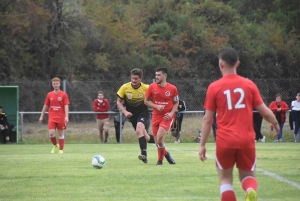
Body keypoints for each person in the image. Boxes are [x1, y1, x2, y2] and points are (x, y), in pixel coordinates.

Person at [199, 47, 279, 201]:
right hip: (246, 140)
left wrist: (202, 144)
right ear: (238, 64)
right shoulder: (249, 85)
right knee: (247, 175)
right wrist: (275, 123)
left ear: (220, 64)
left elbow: (207, 119)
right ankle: (250, 189)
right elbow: (265, 112)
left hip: (225, 140)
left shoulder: (214, 87)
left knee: (225, 180)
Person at [116, 68, 155, 164]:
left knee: (138, 130)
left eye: (136, 79)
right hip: (132, 116)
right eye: (132, 78)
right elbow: (119, 101)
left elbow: (155, 98)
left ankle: (144, 155)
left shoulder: (146, 88)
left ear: (140, 79)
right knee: (146, 138)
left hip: (143, 114)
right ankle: (160, 141)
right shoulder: (125, 87)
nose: (134, 80)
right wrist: (125, 112)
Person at [144, 67, 178, 165]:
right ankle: (166, 154)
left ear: (165, 76)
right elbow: (145, 101)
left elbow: (176, 102)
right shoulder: (152, 87)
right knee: (157, 142)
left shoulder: (172, 88)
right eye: (156, 75)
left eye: (159, 75)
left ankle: (160, 161)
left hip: (167, 117)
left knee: (159, 138)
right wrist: (156, 106)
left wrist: (171, 113)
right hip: (155, 116)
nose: (156, 77)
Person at [39, 77, 70, 154]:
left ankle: (61, 150)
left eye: (57, 83)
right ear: (52, 85)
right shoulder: (49, 94)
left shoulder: (63, 94)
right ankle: (55, 145)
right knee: (51, 133)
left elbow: (66, 106)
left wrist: (66, 116)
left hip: (61, 117)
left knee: (60, 134)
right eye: (54, 84)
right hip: (52, 117)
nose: (55, 85)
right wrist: (41, 116)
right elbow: (45, 105)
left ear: (59, 84)